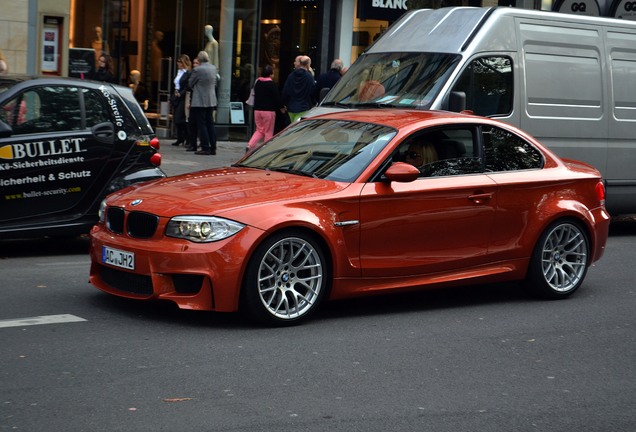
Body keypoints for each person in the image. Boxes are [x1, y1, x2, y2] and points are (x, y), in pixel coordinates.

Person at [247, 64, 283, 152]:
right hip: (268, 111)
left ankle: (250, 145)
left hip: (257, 110)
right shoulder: (272, 84)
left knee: (259, 130)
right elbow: (276, 98)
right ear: (270, 74)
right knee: (268, 131)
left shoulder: (257, 82)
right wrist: (281, 107)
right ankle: (266, 150)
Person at [188, 51, 217, 155]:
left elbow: (190, 83)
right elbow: (216, 81)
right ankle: (213, 147)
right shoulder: (213, 68)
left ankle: (205, 147)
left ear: (199, 60)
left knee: (202, 124)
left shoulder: (197, 70)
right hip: (211, 99)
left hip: (200, 100)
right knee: (210, 123)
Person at [282, 55, 315, 123]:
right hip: (303, 107)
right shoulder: (309, 77)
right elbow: (312, 92)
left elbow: (285, 91)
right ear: (308, 64)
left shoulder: (291, 76)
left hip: (291, 108)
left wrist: (284, 104)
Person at [171, 54, 192, 147]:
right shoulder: (178, 72)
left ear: (183, 63)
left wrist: (181, 93)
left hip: (183, 97)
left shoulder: (187, 73)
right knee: (176, 118)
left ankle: (187, 138)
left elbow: (188, 86)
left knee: (181, 119)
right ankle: (180, 138)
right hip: (176, 95)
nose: (177, 63)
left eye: (179, 61)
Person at [185, 57, 200, 152]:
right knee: (191, 123)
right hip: (193, 100)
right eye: (194, 63)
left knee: (196, 124)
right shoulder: (193, 73)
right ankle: (192, 143)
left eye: (197, 63)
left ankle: (194, 143)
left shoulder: (197, 73)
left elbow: (190, 85)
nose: (195, 64)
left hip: (198, 102)